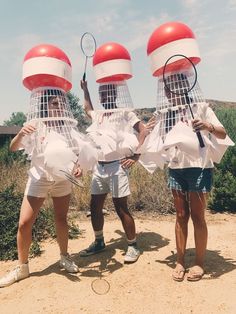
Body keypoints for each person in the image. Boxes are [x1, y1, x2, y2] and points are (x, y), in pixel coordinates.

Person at [147, 73, 227, 281]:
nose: (169, 92)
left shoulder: (201, 108)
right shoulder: (166, 114)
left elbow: (222, 132)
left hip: (199, 168)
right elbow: (157, 140)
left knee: (198, 216)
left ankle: (199, 262)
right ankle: (180, 260)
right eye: (166, 88)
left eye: (173, 86)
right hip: (176, 169)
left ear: (185, 87)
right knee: (181, 215)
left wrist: (207, 126)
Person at [0, 93, 81, 288]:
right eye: (54, 103)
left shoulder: (68, 127)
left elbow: (77, 153)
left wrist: (78, 166)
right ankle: (22, 267)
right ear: (46, 106)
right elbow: (12, 148)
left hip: (62, 178)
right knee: (24, 223)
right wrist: (20, 134)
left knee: (61, 219)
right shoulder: (36, 124)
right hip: (39, 178)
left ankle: (64, 257)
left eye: (61, 102)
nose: (59, 105)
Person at [79, 80, 147, 263]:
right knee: (95, 206)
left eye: (108, 92)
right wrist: (85, 89)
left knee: (120, 207)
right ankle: (99, 242)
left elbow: (144, 130)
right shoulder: (99, 115)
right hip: (99, 167)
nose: (104, 96)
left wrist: (136, 156)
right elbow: (88, 109)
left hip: (117, 165)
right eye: (101, 93)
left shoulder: (125, 113)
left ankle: (133, 245)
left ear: (115, 94)